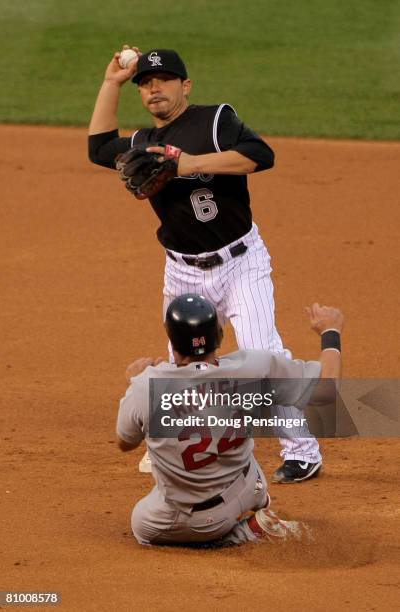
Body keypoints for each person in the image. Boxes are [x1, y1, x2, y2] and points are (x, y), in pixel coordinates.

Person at [90, 46, 322, 482]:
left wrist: (186, 164)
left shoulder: (215, 121)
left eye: (162, 80)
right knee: (182, 367)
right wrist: (111, 84)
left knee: (264, 355)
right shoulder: (142, 143)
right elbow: (99, 147)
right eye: (144, 83)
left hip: (241, 263)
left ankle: (303, 451)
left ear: (185, 85)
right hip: (181, 271)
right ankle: (173, 451)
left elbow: (261, 154)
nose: (153, 88)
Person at [116, 295, 343, 546]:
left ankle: (244, 533)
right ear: (220, 336)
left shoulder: (147, 387)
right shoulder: (255, 366)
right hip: (250, 485)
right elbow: (326, 390)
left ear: (173, 343)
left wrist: (134, 383)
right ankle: (256, 502)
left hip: (201, 520)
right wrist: (330, 331)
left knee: (142, 523)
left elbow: (125, 443)